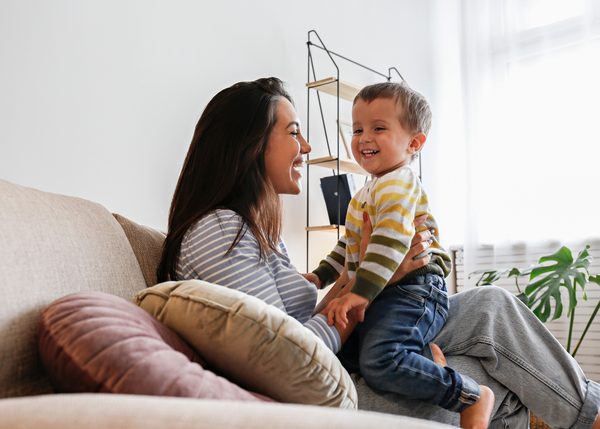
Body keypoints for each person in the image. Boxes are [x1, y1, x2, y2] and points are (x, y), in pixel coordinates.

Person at [157, 77, 600, 429]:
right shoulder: (220, 230)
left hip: (340, 360)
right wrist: (380, 278)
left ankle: (593, 414)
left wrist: (353, 280)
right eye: (294, 133)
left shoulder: (256, 233)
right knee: (488, 380)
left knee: (492, 305)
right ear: (250, 143)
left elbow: (313, 314)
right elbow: (286, 359)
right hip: (320, 395)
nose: (307, 148)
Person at [317, 82, 493, 428]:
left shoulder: (398, 183)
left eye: (378, 128)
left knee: (381, 360)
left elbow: (389, 241)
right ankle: (428, 360)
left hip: (413, 288)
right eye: (357, 129)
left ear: (414, 143)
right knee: (347, 356)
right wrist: (320, 275)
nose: (364, 138)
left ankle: (470, 395)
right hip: (383, 288)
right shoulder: (367, 191)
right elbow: (348, 245)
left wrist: (357, 293)